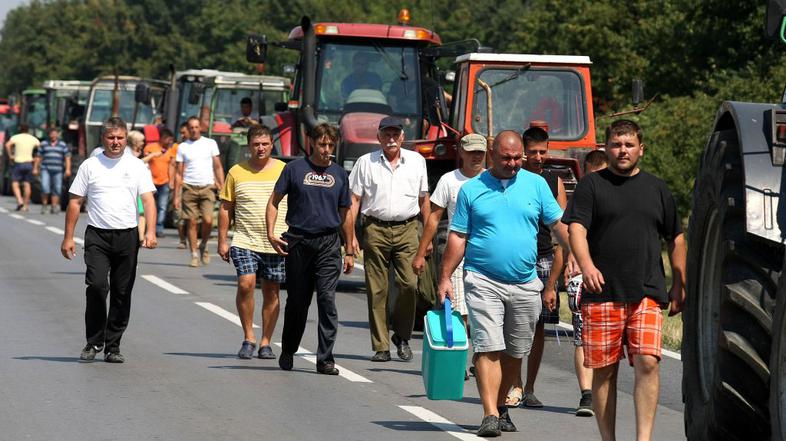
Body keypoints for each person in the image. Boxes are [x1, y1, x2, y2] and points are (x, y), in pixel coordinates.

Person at [437, 130, 572, 437]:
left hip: (525, 282)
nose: (513, 164)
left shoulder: (536, 185)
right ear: (491, 154)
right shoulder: (472, 190)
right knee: (488, 345)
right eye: (506, 158)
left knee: (515, 349)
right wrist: (445, 277)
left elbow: (558, 224)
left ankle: (503, 406)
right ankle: (489, 414)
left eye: (517, 158)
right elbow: (458, 236)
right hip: (483, 279)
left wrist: (576, 254)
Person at [563, 120, 686, 441]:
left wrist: (679, 282)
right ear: (605, 147)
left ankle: (643, 438)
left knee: (648, 361)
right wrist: (586, 265)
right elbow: (576, 228)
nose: (623, 150)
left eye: (629, 144)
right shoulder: (592, 185)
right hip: (601, 291)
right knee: (604, 370)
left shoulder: (657, 188)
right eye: (616, 144)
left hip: (646, 291)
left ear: (641, 149)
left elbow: (676, 238)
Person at [60, 117, 157, 363]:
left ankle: (113, 346)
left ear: (126, 139)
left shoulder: (136, 166)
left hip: (127, 236)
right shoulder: (90, 165)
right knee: (97, 286)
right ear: (103, 139)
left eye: (120, 138)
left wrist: (151, 231)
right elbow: (74, 201)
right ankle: (93, 342)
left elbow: (148, 200)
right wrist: (68, 237)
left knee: (122, 291)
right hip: (97, 235)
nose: (116, 142)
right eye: (111, 137)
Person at [267, 123, 356, 374]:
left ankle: (325, 358)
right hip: (298, 240)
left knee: (327, 300)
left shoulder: (339, 174)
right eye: (322, 144)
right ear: (312, 143)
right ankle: (288, 349)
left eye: (330, 145)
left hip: (328, 243)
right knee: (297, 302)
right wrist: (271, 234)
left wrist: (349, 248)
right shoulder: (294, 169)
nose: (326, 149)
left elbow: (346, 212)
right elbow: (274, 202)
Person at [349, 116, 430, 362]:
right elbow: (354, 201)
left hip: (408, 228)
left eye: (396, 134)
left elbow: (423, 200)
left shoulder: (417, 161)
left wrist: (427, 239)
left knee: (408, 284)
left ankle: (402, 336)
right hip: (375, 228)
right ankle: (381, 346)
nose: (391, 138)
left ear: (402, 137)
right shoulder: (366, 162)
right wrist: (350, 236)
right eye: (387, 134)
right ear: (379, 137)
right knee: (377, 289)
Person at [502, 127, 568, 409]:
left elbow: (562, 229)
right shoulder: (514, 179)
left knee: (539, 326)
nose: (539, 157)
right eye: (533, 152)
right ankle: (514, 384)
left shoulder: (554, 182)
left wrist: (556, 278)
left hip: (546, 259)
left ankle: (529, 387)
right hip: (520, 258)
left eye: (543, 152)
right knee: (514, 324)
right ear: (524, 152)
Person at [217, 125, 287, 360]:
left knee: (272, 290)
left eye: (265, 143)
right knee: (246, 284)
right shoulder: (237, 172)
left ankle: (266, 341)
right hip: (245, 239)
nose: (260, 148)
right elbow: (226, 208)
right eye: (256, 144)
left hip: (276, 241)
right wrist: (222, 241)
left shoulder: (284, 170)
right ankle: (249, 337)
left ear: (271, 145)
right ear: (249, 146)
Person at [412, 132, 486, 331]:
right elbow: (434, 218)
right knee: (458, 310)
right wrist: (420, 253)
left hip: (486, 254)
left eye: (480, 152)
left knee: (482, 313)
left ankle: (480, 360)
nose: (476, 156)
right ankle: (462, 356)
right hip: (457, 253)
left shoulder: (492, 180)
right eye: (472, 152)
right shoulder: (448, 180)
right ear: (461, 152)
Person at [564, 148, 608, 417]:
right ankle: (587, 394)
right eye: (594, 176)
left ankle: (604, 389)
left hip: (612, 271)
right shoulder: (581, 196)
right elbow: (572, 229)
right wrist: (571, 258)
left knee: (606, 336)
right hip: (583, 272)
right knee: (582, 335)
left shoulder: (620, 192)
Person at [174, 116, 225, 267]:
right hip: (189, 187)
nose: (194, 130)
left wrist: (222, 185)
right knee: (192, 222)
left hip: (207, 186)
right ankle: (194, 254)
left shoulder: (210, 143)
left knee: (208, 220)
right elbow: (178, 173)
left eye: (197, 127)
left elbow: (217, 166)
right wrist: (176, 196)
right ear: (187, 130)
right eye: (191, 128)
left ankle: (203, 244)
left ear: (200, 128)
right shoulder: (183, 147)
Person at [144, 128, 177, 237]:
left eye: (171, 140)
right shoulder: (150, 148)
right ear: (162, 138)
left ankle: (159, 228)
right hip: (150, 182)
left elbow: (172, 166)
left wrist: (171, 181)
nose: (170, 142)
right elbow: (144, 161)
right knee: (149, 205)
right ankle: (148, 227)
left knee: (162, 207)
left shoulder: (172, 149)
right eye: (168, 139)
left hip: (164, 183)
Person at [34, 127, 71, 214]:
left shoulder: (62, 144)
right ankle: (44, 205)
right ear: (49, 134)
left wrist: (68, 169)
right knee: (44, 187)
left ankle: (54, 206)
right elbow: (38, 156)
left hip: (58, 170)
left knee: (57, 188)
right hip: (45, 169)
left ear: (57, 134)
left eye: (55, 133)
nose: (53, 135)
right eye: (51, 133)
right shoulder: (43, 144)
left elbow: (67, 157)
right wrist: (35, 168)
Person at [4, 123, 40, 212]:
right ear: (28, 130)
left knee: (15, 183)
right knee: (27, 184)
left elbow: (7, 145)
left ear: (20, 129)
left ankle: (20, 201)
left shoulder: (16, 137)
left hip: (18, 163)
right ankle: (26, 205)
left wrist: (10, 155)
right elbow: (40, 146)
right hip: (29, 163)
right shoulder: (33, 138)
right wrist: (36, 157)